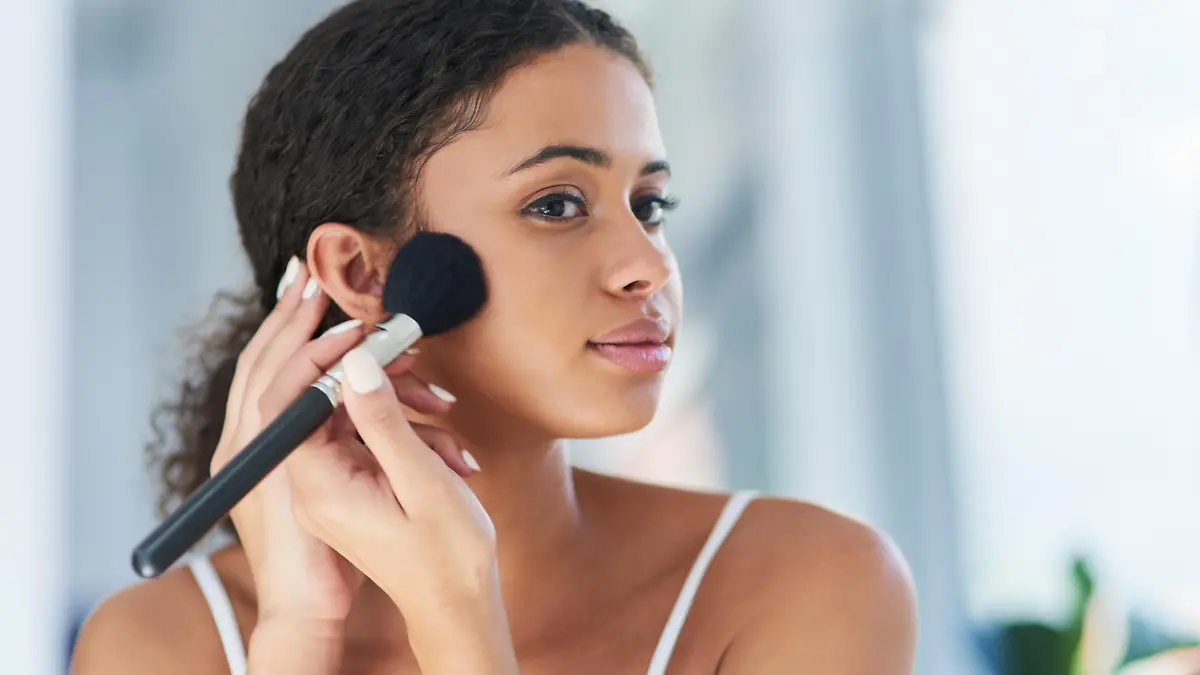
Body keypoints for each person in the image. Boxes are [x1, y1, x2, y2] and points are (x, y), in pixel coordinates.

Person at [70, 1, 916, 673]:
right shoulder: (155, 647)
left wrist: (458, 617)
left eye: (648, 205)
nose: (647, 266)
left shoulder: (806, 583)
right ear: (363, 275)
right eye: (557, 204)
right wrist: (299, 630)